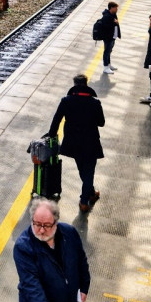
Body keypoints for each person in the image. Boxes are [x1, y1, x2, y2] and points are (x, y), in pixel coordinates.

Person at [14, 198, 90, 302]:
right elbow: (32, 287)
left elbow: (81, 262)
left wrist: (84, 287)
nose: (41, 230)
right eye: (37, 224)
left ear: (56, 222)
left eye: (47, 225)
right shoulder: (24, 247)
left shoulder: (70, 233)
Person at [49, 74, 105, 212]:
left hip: (73, 141)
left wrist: (51, 135)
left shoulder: (66, 100)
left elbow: (57, 119)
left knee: (83, 169)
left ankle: (90, 194)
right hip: (91, 141)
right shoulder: (95, 102)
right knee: (89, 170)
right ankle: (84, 200)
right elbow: (101, 123)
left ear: (74, 84)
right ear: (86, 84)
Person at [95, 2, 120, 74]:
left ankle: (109, 65)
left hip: (113, 36)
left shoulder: (113, 14)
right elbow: (106, 27)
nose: (117, 9)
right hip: (108, 37)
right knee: (106, 52)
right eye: (116, 8)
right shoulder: (106, 16)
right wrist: (115, 22)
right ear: (111, 8)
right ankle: (105, 67)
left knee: (109, 51)